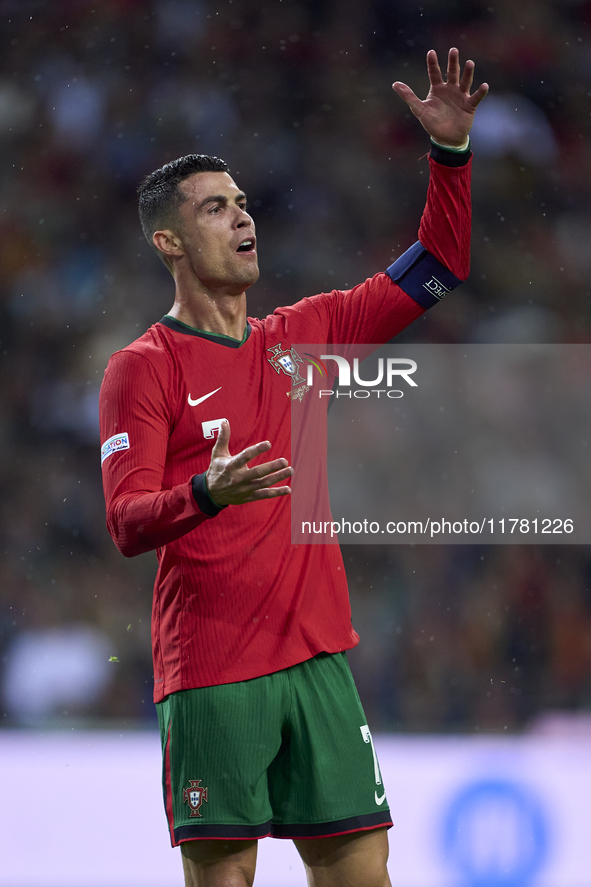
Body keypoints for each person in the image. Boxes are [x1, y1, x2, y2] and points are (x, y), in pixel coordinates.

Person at [100, 48, 488, 887]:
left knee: (360, 871)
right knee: (225, 879)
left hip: (317, 656)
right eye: (214, 208)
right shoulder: (143, 365)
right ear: (168, 239)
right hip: (211, 666)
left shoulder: (299, 338)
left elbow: (438, 269)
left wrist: (449, 157)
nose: (242, 219)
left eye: (242, 203)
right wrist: (209, 490)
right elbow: (127, 520)